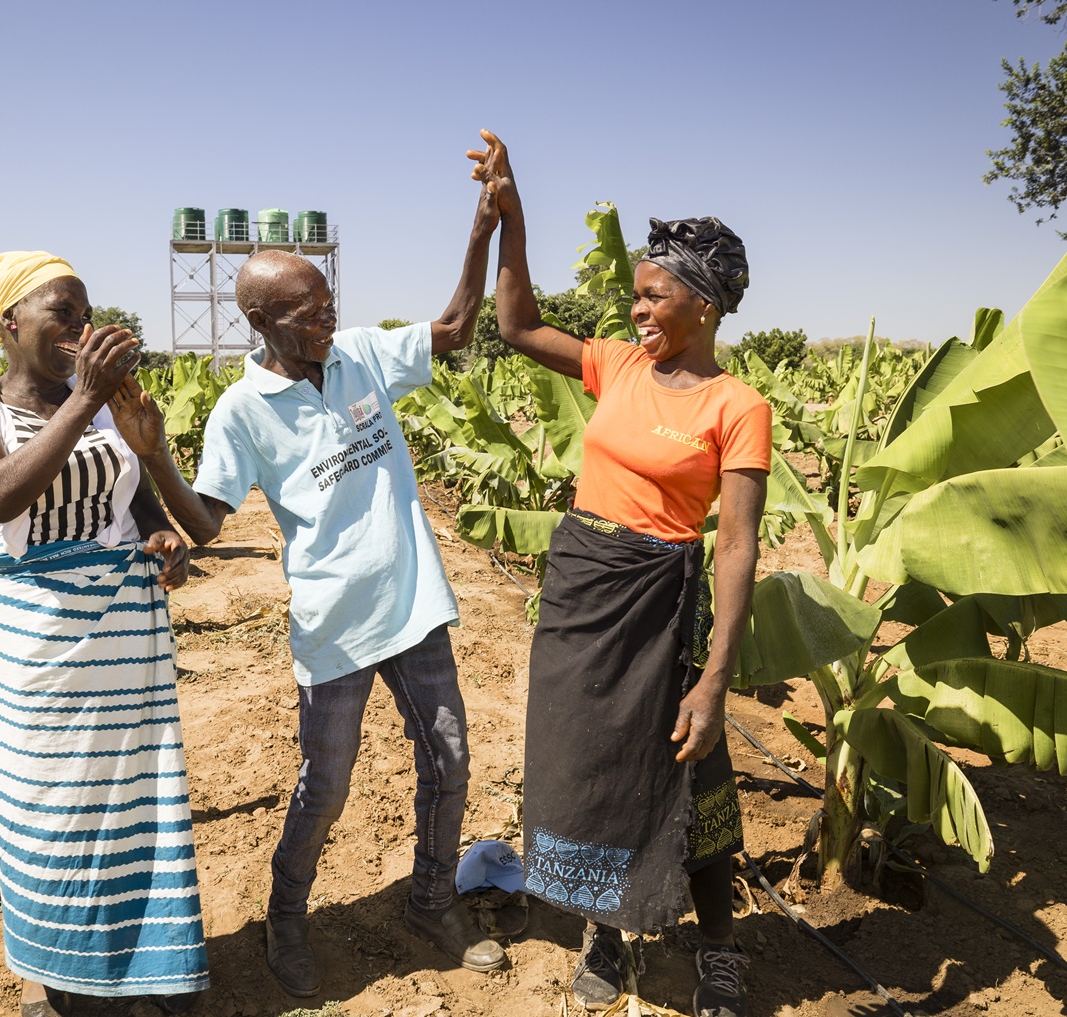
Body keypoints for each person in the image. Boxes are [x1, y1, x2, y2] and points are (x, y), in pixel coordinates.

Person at [106, 177, 505, 999]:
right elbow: (208, 520)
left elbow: (459, 325)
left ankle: (433, 901)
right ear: (260, 321)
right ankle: (287, 914)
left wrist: (482, 225)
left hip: (414, 607)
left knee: (451, 761)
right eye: (308, 311)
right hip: (335, 625)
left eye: (328, 303)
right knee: (325, 787)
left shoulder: (360, 353)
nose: (327, 319)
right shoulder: (243, 410)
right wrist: (154, 457)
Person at [468, 132, 771, 1017]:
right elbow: (517, 325)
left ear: (703, 302)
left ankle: (718, 951)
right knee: (585, 765)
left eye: (653, 294)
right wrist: (512, 216)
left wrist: (714, 679)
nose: (637, 310)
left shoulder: (736, 406)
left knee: (689, 769)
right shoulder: (618, 365)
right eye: (635, 295)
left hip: (660, 605)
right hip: (581, 589)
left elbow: (739, 546)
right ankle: (605, 933)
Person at [0, 252, 209, 1017]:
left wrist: (165, 546)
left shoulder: (113, 406)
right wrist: (83, 399)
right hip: (39, 661)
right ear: (10, 325)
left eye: (86, 314)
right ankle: (59, 981)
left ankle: (140, 965)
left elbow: (147, 515)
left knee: (131, 809)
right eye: (63, 314)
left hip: (121, 653)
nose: (81, 329)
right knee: (52, 817)